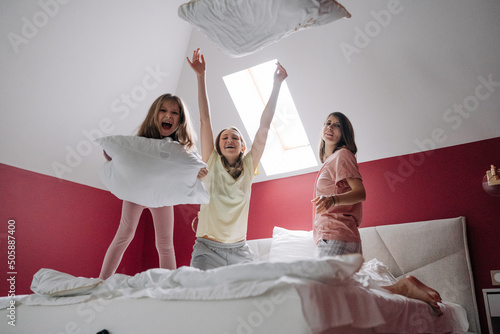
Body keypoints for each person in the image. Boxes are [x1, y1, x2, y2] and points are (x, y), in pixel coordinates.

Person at [311, 112, 443, 316]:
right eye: (327, 123)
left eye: (337, 125)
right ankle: (402, 288)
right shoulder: (330, 162)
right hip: (335, 237)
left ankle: (402, 288)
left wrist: (333, 200)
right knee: (351, 295)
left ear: (344, 133)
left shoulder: (342, 155)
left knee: (327, 297)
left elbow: (360, 192)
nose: (330, 127)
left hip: (336, 235)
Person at [187, 48, 288, 270]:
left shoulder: (249, 165)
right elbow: (205, 119)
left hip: (240, 251)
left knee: (250, 301)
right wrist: (200, 76)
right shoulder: (211, 161)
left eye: (235, 137)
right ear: (218, 145)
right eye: (224, 137)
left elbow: (264, 127)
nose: (229, 139)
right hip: (207, 248)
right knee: (198, 300)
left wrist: (277, 85)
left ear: (243, 146)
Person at [99, 93, 202, 280]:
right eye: (163, 110)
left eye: (174, 113)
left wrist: (197, 173)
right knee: (124, 234)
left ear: (181, 120)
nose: (168, 116)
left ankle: (168, 287)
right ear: (154, 114)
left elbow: (190, 166)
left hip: (161, 194)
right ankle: (101, 281)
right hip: (136, 192)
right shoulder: (139, 144)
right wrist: (114, 158)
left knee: (165, 243)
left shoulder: (180, 149)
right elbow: (124, 158)